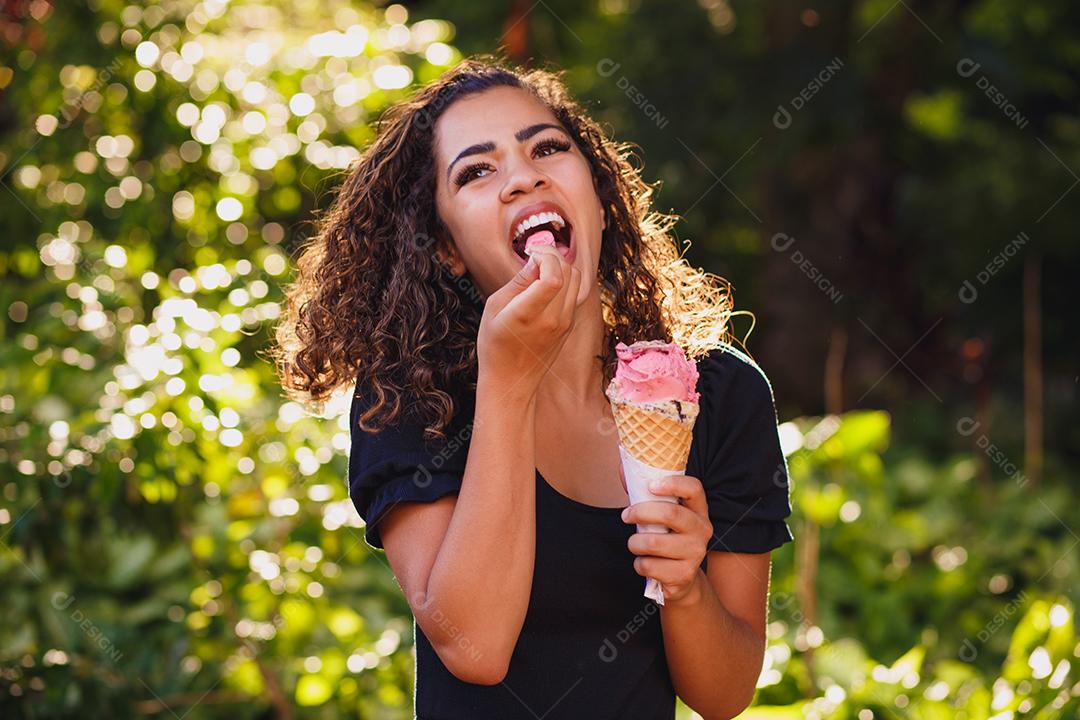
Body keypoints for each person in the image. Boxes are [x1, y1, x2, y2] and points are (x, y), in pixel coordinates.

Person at [274, 56, 793, 720]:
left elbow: (724, 695)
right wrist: (508, 383)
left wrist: (686, 587)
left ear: (599, 196)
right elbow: (475, 648)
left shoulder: (717, 392)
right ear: (447, 249)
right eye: (476, 171)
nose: (524, 176)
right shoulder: (412, 398)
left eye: (546, 148)